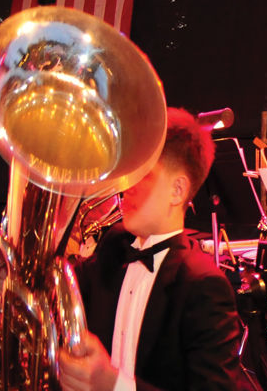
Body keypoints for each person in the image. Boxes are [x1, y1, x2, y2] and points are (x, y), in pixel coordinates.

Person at [58, 108, 241, 390]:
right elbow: (61, 289)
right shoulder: (115, 246)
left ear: (177, 190)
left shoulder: (205, 287)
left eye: (143, 175)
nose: (125, 186)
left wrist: (112, 384)